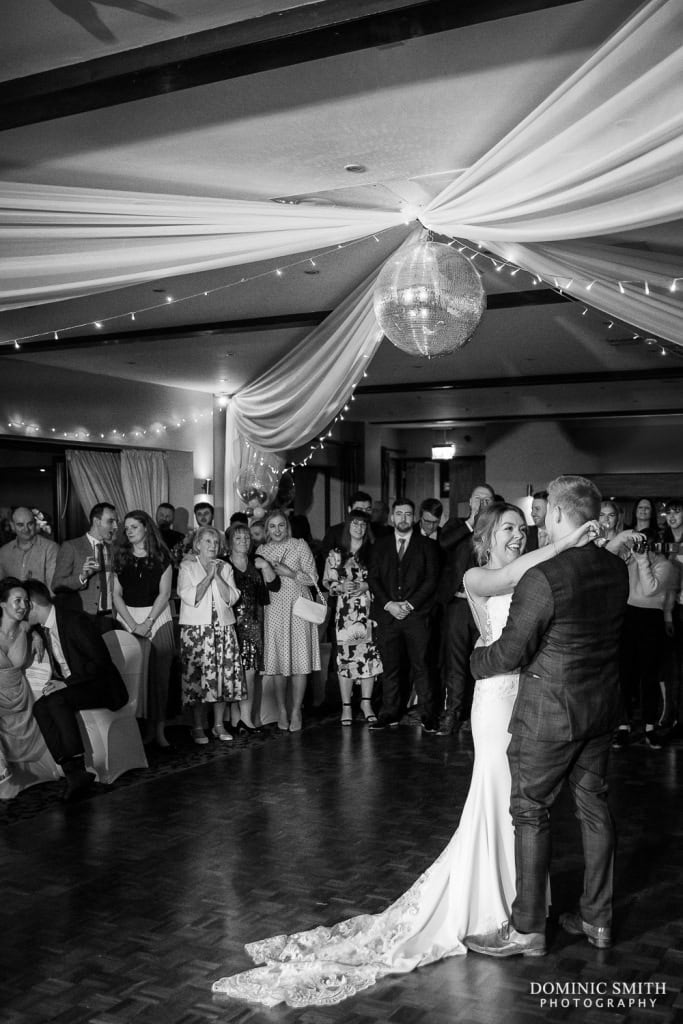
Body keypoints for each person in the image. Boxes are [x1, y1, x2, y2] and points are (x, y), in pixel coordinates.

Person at [210, 500, 596, 1006]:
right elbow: (530, 570)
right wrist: (566, 541)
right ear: (485, 536)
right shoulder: (480, 575)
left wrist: (600, 545)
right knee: (502, 795)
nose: (518, 537)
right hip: (496, 704)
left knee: (522, 804)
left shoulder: (526, 576)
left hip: (525, 700)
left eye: (522, 530)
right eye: (508, 529)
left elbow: (541, 577)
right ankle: (493, 904)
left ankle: (520, 902)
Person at [464, 476, 629, 958]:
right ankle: (598, 920)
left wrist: (474, 663)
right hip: (599, 711)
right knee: (593, 809)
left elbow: (510, 652)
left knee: (531, 812)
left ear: (556, 514)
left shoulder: (544, 577)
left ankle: (528, 929)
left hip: (547, 714)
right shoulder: (613, 568)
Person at [27, 579, 128, 801]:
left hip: (100, 686)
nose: (22, 612)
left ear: (32, 605)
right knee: (40, 707)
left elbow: (99, 662)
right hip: (77, 686)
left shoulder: (74, 621)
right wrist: (34, 634)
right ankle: (72, 770)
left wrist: (66, 683)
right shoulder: (42, 626)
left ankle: (78, 768)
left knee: (56, 701)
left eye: (24, 605)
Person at [367, 498, 440, 732]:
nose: (404, 519)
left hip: (416, 617)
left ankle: (428, 714)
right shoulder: (380, 545)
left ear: (414, 517)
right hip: (388, 616)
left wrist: (408, 605)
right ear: (392, 517)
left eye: (408, 514)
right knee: (391, 667)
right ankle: (390, 713)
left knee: (422, 666)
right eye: (399, 514)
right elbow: (373, 578)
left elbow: (431, 580)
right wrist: (389, 604)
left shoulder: (427, 546)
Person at [607, 527, 677, 750]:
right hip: (627, 616)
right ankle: (623, 727)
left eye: (649, 544)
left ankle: (649, 726)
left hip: (651, 620)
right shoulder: (628, 560)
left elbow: (649, 590)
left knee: (649, 675)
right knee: (624, 674)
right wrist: (633, 558)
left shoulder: (665, 566)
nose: (644, 548)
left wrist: (643, 560)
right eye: (641, 543)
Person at [112, 510, 176, 749]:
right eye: (126, 528)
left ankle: (158, 731)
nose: (128, 531)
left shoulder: (162, 556)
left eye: (134, 527)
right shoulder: (120, 556)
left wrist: (147, 622)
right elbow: (116, 595)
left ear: (146, 528)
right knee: (130, 677)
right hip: (128, 617)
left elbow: (165, 593)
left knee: (160, 679)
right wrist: (132, 623)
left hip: (158, 618)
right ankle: (132, 732)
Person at [436, 483, 495, 735]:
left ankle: (478, 716)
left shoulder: (496, 528)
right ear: (470, 502)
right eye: (478, 499)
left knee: (482, 662)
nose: (482, 504)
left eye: (487, 500)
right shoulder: (455, 526)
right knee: (456, 662)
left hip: (486, 605)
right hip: (459, 605)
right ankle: (453, 714)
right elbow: (443, 544)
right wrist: (471, 522)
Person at [177, 525, 244, 744]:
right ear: (197, 544)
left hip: (222, 629)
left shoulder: (225, 567)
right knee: (198, 679)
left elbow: (231, 598)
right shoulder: (187, 566)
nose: (212, 546)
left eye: (215, 542)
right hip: (197, 630)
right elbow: (190, 596)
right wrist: (207, 576)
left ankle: (218, 725)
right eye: (207, 541)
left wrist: (217, 576)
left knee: (222, 679)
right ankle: (198, 726)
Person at [257, 509, 321, 732]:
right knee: (278, 662)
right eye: (272, 526)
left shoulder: (298, 545)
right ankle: (282, 710)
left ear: (287, 526)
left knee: (299, 662)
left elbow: (313, 579)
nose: (277, 530)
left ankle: (296, 711)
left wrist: (290, 573)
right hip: (273, 609)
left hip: (298, 607)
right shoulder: (262, 550)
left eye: (281, 525)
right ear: (266, 530)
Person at [0, 578, 60, 800]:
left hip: (20, 696)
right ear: (2, 604)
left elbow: (34, 624)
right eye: (17, 601)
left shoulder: (26, 626)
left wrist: (34, 635)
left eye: (26, 601)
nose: (23, 606)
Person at [322, 509, 382, 725]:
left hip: (368, 611)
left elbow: (382, 579)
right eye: (355, 524)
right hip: (346, 612)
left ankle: (366, 703)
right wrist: (340, 585)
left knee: (368, 656)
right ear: (348, 526)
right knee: (346, 658)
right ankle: (346, 706)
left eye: (363, 524)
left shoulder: (374, 551)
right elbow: (327, 583)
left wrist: (366, 584)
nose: (359, 528)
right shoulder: (336, 554)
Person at [224, 522, 280, 734]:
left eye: (246, 538)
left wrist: (265, 567)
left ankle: (245, 718)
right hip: (229, 624)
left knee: (249, 672)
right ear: (230, 542)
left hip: (254, 621)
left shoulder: (257, 561)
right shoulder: (223, 563)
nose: (243, 542)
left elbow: (274, 586)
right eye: (238, 538)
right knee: (232, 672)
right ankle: (236, 718)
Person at [52, 501, 118, 632]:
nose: (115, 526)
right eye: (111, 521)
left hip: (111, 617)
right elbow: (56, 585)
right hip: (84, 618)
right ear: (96, 521)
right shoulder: (71, 547)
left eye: (116, 522)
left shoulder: (114, 549)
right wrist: (82, 577)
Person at [0, 506, 59, 592]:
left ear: (35, 524)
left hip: (42, 604)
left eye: (30, 524)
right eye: (20, 525)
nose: (26, 529)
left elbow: (53, 589)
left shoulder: (51, 549)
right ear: (12, 526)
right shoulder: (3, 552)